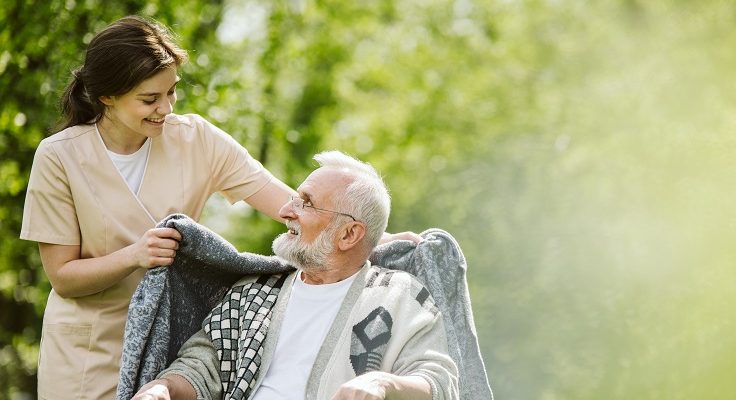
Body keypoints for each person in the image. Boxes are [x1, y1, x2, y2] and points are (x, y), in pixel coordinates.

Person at [20, 16, 415, 399]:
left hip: (170, 342)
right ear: (107, 96)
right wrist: (135, 255)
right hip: (87, 354)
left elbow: (290, 205)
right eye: (149, 99)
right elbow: (63, 277)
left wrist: (376, 236)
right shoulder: (59, 157)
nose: (167, 108)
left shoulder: (197, 140)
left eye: (171, 91)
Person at [131, 151, 458, 400]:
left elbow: (439, 381)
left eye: (306, 203)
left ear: (348, 235)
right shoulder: (254, 293)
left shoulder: (400, 297)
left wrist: (384, 383)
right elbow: (198, 368)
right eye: (294, 198)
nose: (286, 211)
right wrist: (161, 390)